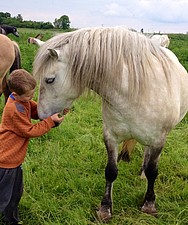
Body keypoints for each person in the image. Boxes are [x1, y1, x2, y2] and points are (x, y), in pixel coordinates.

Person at [0, 69, 69, 225]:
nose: (31, 99)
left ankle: (11, 220)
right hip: (5, 162)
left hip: (15, 161)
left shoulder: (22, 102)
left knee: (15, 194)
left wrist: (56, 111)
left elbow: (36, 111)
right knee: (3, 196)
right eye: (28, 96)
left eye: (32, 95)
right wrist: (50, 122)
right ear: (15, 93)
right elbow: (29, 130)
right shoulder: (14, 109)